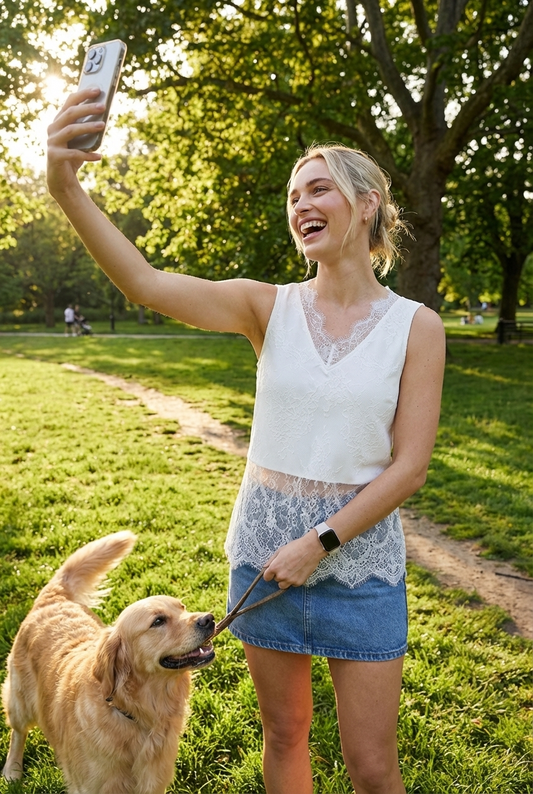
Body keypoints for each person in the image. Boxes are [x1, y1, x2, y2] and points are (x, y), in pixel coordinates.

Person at [47, 87, 446, 794]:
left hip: (360, 567)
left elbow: (410, 467)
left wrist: (317, 542)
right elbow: (143, 282)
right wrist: (65, 187)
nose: (300, 205)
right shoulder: (267, 307)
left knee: (372, 765)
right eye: (293, 196)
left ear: (367, 204)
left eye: (318, 188)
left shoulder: (416, 326)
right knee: (285, 736)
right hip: (264, 563)